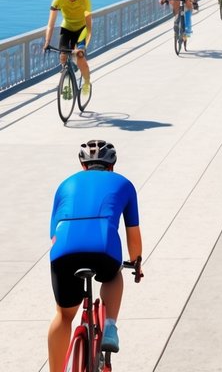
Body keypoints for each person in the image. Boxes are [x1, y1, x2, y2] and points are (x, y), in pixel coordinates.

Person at [48, 140, 143, 367]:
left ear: (83, 165)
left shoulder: (64, 184)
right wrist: (136, 262)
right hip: (103, 247)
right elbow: (133, 233)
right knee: (113, 274)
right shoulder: (124, 183)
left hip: (64, 250)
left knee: (63, 316)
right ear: (112, 166)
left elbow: (52, 233)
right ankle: (109, 326)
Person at [44, 0, 94, 96]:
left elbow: (89, 27)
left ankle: (87, 82)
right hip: (67, 28)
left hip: (82, 29)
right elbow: (50, 25)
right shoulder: (58, 0)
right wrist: (47, 42)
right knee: (63, 54)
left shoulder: (85, 1)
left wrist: (83, 47)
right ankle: (66, 76)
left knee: (80, 56)